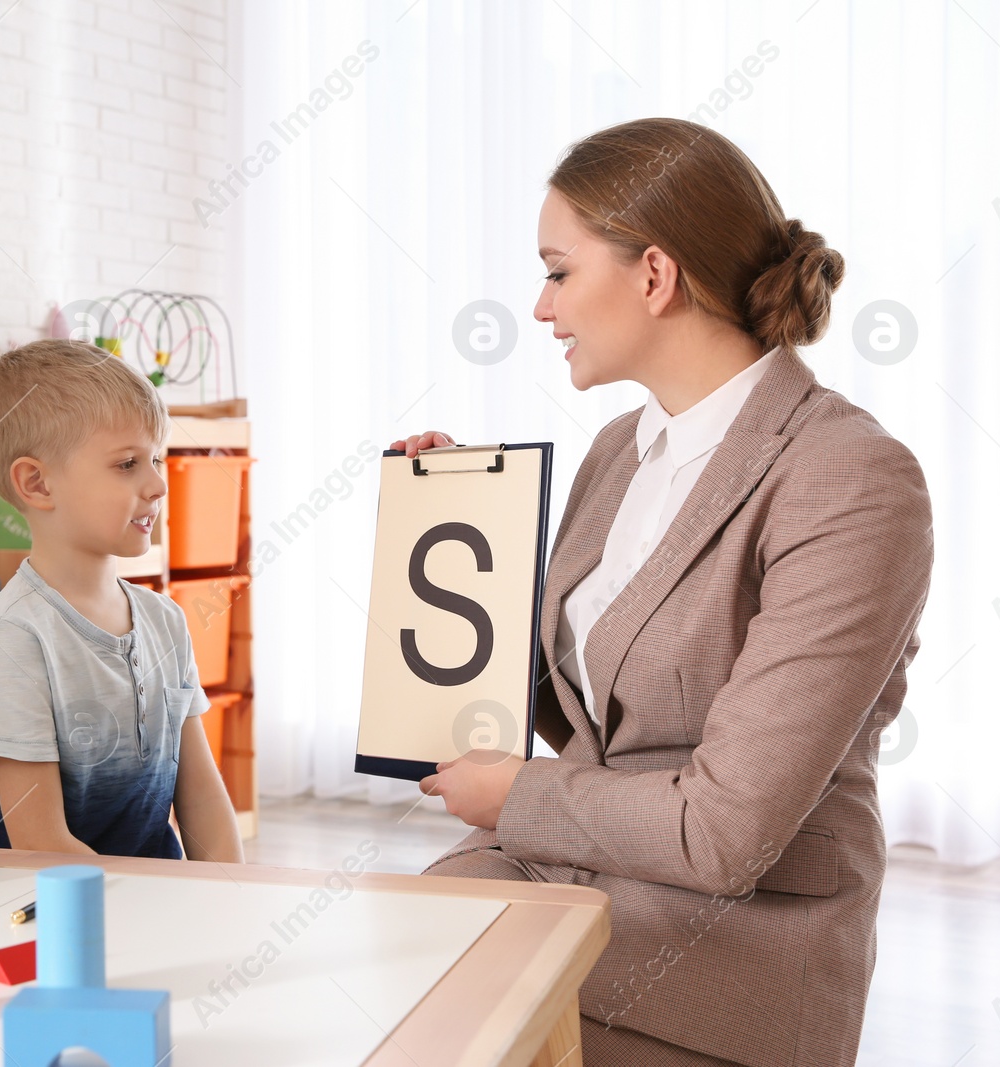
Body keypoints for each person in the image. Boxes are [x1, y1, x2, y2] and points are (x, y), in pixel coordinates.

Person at [396, 117, 933, 1066]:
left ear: (654, 275)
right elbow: (599, 715)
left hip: (733, 938)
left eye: (558, 271)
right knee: (370, 982)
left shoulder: (849, 477)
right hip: (575, 871)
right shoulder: (621, 451)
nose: (539, 306)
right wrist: (452, 539)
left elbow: (725, 832)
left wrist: (515, 792)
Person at [0, 339, 243, 863]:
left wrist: (230, 898)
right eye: (128, 463)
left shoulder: (164, 620)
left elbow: (201, 796)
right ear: (37, 483)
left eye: (156, 458)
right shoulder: (16, 637)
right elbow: (41, 844)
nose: (158, 483)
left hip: (151, 905)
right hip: (47, 917)